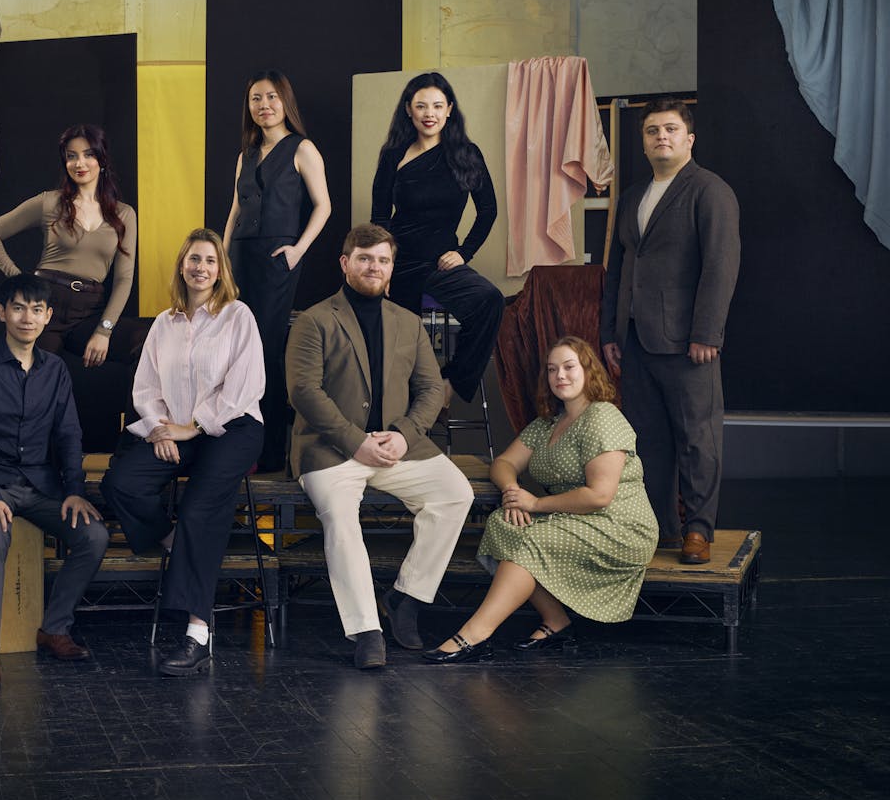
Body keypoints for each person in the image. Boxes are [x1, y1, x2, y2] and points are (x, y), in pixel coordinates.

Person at [285, 223, 475, 670]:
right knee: (340, 518)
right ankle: (366, 630)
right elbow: (304, 392)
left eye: (383, 260)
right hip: (331, 448)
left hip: (397, 446)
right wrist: (356, 442)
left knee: (456, 494)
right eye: (365, 258)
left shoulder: (408, 323)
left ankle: (406, 597)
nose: (374, 266)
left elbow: (431, 391)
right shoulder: (315, 319)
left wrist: (405, 434)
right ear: (345, 263)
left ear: (391, 269)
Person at [422, 337, 659, 663]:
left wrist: (534, 505)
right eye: (552, 370)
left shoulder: (602, 416)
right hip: (572, 519)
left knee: (531, 538)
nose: (560, 375)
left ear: (588, 371)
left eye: (569, 367)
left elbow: (600, 496)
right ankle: (556, 621)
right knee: (503, 523)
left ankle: (474, 635)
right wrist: (512, 492)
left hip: (618, 525)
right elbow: (503, 463)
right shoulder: (548, 423)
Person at [100, 229, 265, 677]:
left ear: (220, 270)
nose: (201, 268)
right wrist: (159, 429)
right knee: (121, 483)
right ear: (182, 266)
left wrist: (192, 428)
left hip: (231, 429)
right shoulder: (164, 323)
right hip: (175, 427)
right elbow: (146, 388)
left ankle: (197, 632)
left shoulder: (237, 316)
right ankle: (173, 541)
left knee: (199, 511)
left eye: (210, 261)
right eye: (194, 259)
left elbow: (245, 387)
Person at [601, 98, 740, 564]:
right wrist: (610, 334)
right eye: (652, 130)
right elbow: (616, 271)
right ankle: (663, 529)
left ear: (689, 139)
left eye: (671, 129)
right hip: (636, 340)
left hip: (688, 342)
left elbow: (720, 268)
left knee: (698, 440)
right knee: (648, 441)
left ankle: (698, 531)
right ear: (643, 141)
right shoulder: (632, 196)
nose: (661, 136)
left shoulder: (710, 191)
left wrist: (708, 333)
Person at [0, 274, 109, 686]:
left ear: (48, 317)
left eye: (37, 309)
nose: (28, 317)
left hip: (41, 485)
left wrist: (75, 491)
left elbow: (69, 434)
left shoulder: (56, 369)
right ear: (2, 312)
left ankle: (54, 628)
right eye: (19, 308)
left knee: (93, 536)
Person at [371, 71, 505, 403]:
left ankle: (450, 385)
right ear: (408, 110)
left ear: (449, 110)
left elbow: (488, 211)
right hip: (399, 263)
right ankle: (411, 420)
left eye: (436, 105)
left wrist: (464, 253)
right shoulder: (393, 154)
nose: (429, 113)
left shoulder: (467, 154)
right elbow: (379, 219)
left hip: (441, 264)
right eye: (421, 106)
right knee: (400, 355)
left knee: (490, 300)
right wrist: (382, 268)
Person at [222, 70, 332, 472]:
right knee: (235, 349)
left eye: (271, 97)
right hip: (239, 258)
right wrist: (222, 257)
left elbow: (323, 206)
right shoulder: (245, 155)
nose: (263, 105)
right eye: (255, 99)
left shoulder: (302, 149)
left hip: (276, 259)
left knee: (265, 351)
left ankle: (270, 454)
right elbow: (235, 211)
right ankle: (239, 445)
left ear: (285, 102)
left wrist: (297, 251)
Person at [0, 123, 148, 367]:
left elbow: (123, 279)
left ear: (102, 159)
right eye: (71, 156)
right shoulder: (49, 202)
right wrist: (20, 280)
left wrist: (104, 330)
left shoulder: (124, 214)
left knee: (146, 342)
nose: (80, 163)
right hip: (46, 306)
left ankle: (133, 408)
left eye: (88, 155)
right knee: (36, 372)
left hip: (89, 312)